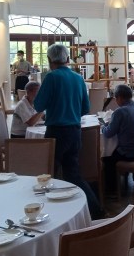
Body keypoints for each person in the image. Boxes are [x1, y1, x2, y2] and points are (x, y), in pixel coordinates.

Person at [34, 44, 101, 219]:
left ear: (50, 60)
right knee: (73, 174)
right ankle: (94, 210)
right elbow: (85, 108)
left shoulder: (51, 77)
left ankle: (53, 214)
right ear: (68, 59)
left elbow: (38, 105)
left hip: (56, 131)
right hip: (75, 131)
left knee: (50, 174)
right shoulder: (78, 78)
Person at [100, 84, 134, 192]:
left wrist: (104, 127)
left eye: (116, 98)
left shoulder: (119, 112)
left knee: (107, 158)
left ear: (120, 97)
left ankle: (112, 190)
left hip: (128, 153)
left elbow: (108, 134)